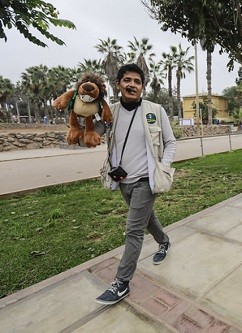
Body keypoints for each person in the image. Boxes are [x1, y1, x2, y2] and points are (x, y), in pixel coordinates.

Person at [95, 64, 177, 305]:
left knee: (133, 230)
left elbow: (170, 142)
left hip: (146, 181)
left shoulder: (155, 110)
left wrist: (162, 165)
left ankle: (121, 283)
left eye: (137, 81)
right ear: (118, 83)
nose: (132, 84)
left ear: (142, 86)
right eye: (127, 80)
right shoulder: (111, 113)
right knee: (146, 218)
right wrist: (86, 120)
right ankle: (164, 241)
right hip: (123, 181)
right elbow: (92, 136)